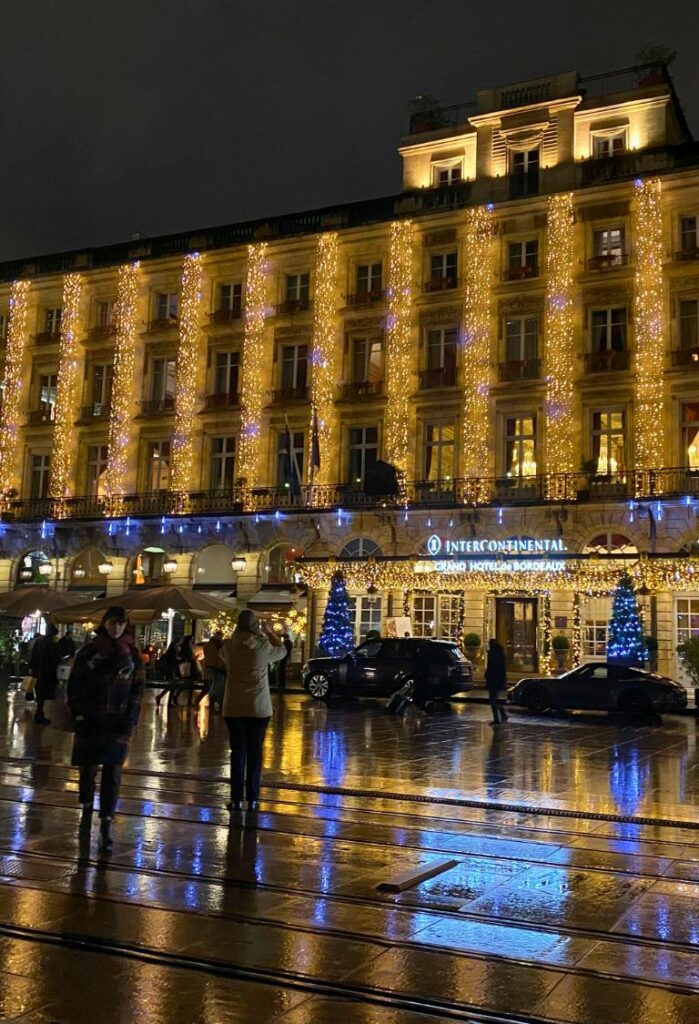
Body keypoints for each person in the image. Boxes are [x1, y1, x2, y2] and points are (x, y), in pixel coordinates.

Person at [67, 607, 145, 847]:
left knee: (113, 772)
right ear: (105, 623)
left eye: (121, 624)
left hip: (118, 721)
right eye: (113, 623)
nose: (117, 628)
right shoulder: (89, 651)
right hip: (91, 718)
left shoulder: (132, 653)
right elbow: (74, 684)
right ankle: (87, 809)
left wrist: (131, 717)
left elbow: (138, 688)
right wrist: (78, 713)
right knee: (87, 769)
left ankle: (107, 822)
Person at [219, 609, 285, 813]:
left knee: (237, 752)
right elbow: (282, 651)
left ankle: (237, 799)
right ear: (256, 626)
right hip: (258, 708)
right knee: (255, 754)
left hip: (234, 707)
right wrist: (270, 632)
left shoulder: (229, 647)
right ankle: (253, 799)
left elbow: (222, 655)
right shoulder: (263, 646)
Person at [29, 624, 60, 725]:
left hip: (38, 671)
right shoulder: (53, 644)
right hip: (48, 673)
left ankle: (39, 713)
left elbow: (33, 656)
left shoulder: (39, 642)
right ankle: (39, 714)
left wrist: (31, 668)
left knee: (39, 693)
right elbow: (55, 659)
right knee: (44, 694)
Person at [197, 630, 225, 709]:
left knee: (212, 687)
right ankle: (212, 703)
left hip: (215, 668)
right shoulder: (212, 645)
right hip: (213, 668)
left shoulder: (214, 645)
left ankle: (211, 703)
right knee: (211, 687)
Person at [485, 637, 508, 725]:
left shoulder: (492, 655)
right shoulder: (500, 654)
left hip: (493, 680)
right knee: (495, 698)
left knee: (492, 700)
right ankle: (503, 714)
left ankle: (496, 719)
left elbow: (491, 667)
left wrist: (487, 675)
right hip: (499, 679)